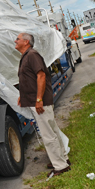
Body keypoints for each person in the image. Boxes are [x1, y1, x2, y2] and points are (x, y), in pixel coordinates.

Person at [15, 32, 71, 177]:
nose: (15, 41)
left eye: (18, 39)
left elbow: (41, 76)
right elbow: (29, 78)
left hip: (40, 102)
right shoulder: (27, 55)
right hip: (36, 100)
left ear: (26, 42)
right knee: (53, 131)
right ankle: (62, 159)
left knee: (48, 134)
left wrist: (39, 99)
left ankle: (60, 166)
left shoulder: (32, 55)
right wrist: (23, 95)